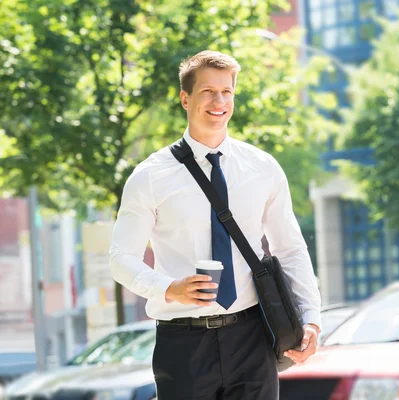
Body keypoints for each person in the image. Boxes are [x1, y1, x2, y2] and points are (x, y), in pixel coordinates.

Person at [109, 50, 322, 399]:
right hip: (184, 343)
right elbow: (120, 257)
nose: (219, 101)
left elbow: (290, 248)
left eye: (227, 91)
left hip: (253, 336)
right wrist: (168, 288)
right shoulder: (150, 176)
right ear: (185, 98)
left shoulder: (262, 167)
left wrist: (311, 316)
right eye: (208, 91)